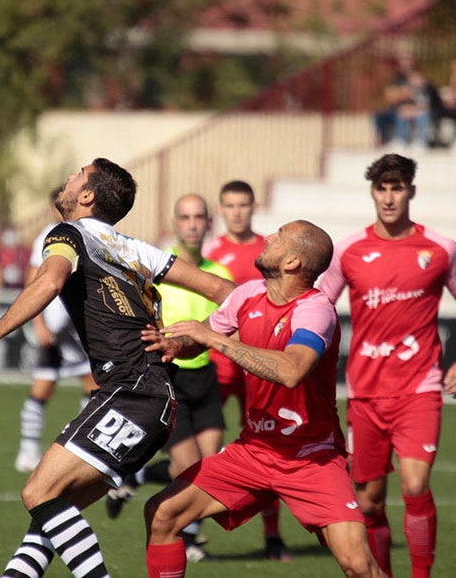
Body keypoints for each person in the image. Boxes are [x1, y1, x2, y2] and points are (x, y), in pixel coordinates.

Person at [0, 158, 235, 578]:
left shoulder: (67, 234)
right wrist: (198, 337)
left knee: (38, 492)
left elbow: (49, 283)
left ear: (86, 196)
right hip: (152, 399)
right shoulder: (134, 248)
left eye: (78, 175)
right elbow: (225, 292)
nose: (69, 178)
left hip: (131, 393)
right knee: (51, 514)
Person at [141, 220, 385, 578]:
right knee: (163, 513)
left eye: (280, 236)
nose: (269, 236)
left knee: (358, 565)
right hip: (253, 451)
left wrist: (215, 341)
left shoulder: (316, 310)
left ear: (292, 263)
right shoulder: (248, 294)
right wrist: (174, 344)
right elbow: (202, 337)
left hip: (311, 457)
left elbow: (292, 369)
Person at [318, 153, 456, 578]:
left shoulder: (442, 251)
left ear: (411, 191)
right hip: (365, 394)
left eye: (397, 187)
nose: (389, 197)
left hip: (419, 389)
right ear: (372, 192)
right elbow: (318, 307)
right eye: (381, 188)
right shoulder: (348, 251)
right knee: (369, 502)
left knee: (414, 486)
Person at [105, 194, 233, 563]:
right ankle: (185, 538)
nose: (192, 223)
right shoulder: (157, 267)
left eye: (199, 217)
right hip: (170, 377)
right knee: (186, 468)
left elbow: (231, 322)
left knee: (212, 467)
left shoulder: (219, 274)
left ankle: (138, 478)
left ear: (209, 223)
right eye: (185, 217)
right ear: (174, 223)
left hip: (205, 376)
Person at [201, 179, 291, 561]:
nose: (237, 212)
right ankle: (191, 532)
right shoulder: (208, 252)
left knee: (270, 446)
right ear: (220, 210)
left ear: (254, 207)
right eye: (230, 206)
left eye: (243, 205)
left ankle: (272, 535)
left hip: (259, 362)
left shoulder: (268, 251)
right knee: (200, 445)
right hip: (220, 363)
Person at [14, 188, 97, 473]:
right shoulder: (49, 235)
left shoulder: (82, 232)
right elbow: (33, 281)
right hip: (54, 328)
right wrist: (39, 323)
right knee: (43, 385)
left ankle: (82, 448)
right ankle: (27, 449)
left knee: (95, 387)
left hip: (75, 328)